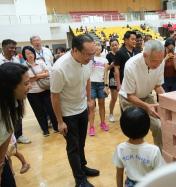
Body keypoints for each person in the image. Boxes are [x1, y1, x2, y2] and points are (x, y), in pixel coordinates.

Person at [50, 34, 99, 187]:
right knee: (73, 147)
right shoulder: (59, 68)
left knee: (81, 143)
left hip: (82, 108)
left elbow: (87, 79)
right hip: (67, 114)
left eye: (93, 53)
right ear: (75, 50)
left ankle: (82, 167)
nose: (91, 58)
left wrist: (89, 99)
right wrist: (59, 121)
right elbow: (55, 96)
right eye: (88, 54)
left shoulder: (87, 61)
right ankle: (79, 180)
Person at [119, 40, 165, 150]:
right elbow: (130, 96)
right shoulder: (131, 65)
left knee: (159, 126)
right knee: (136, 131)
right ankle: (136, 155)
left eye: (160, 61)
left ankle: (160, 154)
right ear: (145, 55)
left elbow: (158, 86)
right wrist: (146, 106)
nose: (157, 64)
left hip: (146, 96)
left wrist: (168, 98)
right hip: (129, 99)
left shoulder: (160, 62)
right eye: (154, 61)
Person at [113, 106, 165, 187]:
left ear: (123, 129)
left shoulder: (120, 148)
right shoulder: (154, 150)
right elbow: (159, 176)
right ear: (147, 128)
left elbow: (119, 174)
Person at [0, 62, 31, 186]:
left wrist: (2, 162)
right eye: (26, 83)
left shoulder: (14, 103)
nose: (30, 86)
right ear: (10, 87)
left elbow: (8, 133)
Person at [22, 46, 58, 136]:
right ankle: (45, 130)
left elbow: (48, 73)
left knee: (51, 109)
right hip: (32, 93)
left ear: (34, 53)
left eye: (31, 53)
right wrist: (40, 75)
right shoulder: (23, 66)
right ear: (24, 55)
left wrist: (35, 77)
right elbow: (25, 80)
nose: (30, 55)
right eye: (27, 53)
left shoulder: (40, 62)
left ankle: (56, 127)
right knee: (39, 112)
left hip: (45, 90)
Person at [0, 39, 31, 144]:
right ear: (3, 47)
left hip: (14, 96)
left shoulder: (16, 59)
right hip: (7, 95)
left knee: (16, 116)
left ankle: (18, 135)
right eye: (11, 47)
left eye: (14, 48)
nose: (13, 50)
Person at [88, 42, 110, 136]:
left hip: (101, 84)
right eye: (96, 46)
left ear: (102, 48)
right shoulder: (89, 59)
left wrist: (106, 86)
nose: (98, 47)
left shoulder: (104, 60)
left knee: (102, 105)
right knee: (91, 106)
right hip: (91, 85)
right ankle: (91, 127)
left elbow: (106, 74)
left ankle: (102, 123)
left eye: (99, 45)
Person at [106, 39, 120, 122]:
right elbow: (107, 68)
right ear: (110, 46)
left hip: (122, 77)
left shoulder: (121, 53)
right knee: (114, 98)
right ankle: (111, 114)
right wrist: (112, 64)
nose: (115, 46)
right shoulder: (108, 55)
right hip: (112, 78)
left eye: (116, 45)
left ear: (118, 45)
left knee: (124, 97)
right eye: (113, 45)